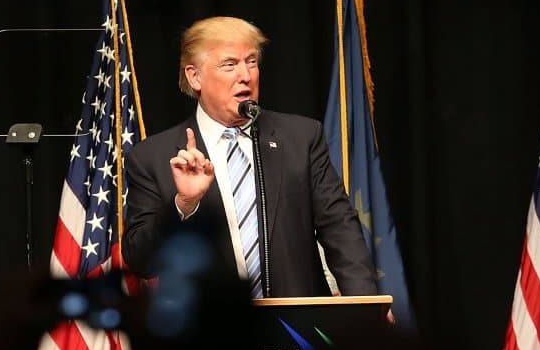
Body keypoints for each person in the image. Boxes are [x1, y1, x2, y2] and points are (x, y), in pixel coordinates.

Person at [122, 15, 381, 301]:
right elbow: (141, 261)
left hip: (298, 328)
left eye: (252, 61)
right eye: (229, 64)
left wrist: (365, 305)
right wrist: (184, 204)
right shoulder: (153, 157)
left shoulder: (301, 138)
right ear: (195, 77)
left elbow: (339, 228)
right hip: (207, 337)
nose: (245, 75)